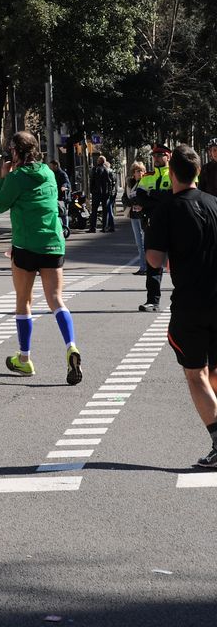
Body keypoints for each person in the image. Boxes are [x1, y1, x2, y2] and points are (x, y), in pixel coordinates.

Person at [144, 144, 217, 469]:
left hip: (191, 303)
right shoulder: (215, 203)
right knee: (214, 371)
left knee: (195, 373)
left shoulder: (168, 209)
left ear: (172, 173)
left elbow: (154, 259)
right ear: (198, 172)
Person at [0, 132, 82, 385]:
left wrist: (3, 177)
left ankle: (24, 359)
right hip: (53, 242)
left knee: (23, 300)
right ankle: (71, 346)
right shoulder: (48, 172)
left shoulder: (16, 177)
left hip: (25, 244)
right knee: (56, 299)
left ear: (16, 152)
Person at [138, 144, 173, 311]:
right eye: (154, 156)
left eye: (160, 155)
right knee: (153, 264)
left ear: (168, 156)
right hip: (152, 224)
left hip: (173, 224)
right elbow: (139, 198)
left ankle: (185, 299)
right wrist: (160, 198)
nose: (156, 158)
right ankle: (152, 301)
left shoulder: (175, 174)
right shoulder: (147, 176)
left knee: (180, 263)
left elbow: (174, 196)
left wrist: (151, 195)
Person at [123, 160, 148, 272]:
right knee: (139, 243)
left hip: (143, 216)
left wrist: (139, 203)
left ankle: (146, 267)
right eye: (138, 171)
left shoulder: (146, 182)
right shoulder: (129, 184)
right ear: (133, 173)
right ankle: (142, 267)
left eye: (142, 171)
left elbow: (147, 198)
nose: (140, 173)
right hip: (133, 215)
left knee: (145, 243)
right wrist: (132, 202)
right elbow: (124, 198)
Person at [89, 155, 117, 233]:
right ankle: (104, 227)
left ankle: (93, 228)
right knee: (105, 211)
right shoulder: (106, 170)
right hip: (105, 193)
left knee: (94, 211)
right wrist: (109, 192)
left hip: (96, 193)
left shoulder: (95, 169)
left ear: (98, 161)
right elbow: (110, 182)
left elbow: (92, 181)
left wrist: (92, 190)